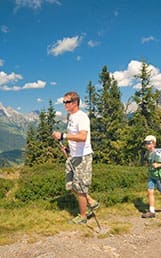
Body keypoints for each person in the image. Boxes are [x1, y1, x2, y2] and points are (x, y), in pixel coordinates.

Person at [52, 91, 99, 225]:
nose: (64, 105)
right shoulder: (71, 117)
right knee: (70, 185)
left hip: (83, 157)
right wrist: (68, 149)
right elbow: (74, 136)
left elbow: (83, 136)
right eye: (64, 102)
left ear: (75, 103)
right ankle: (90, 201)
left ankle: (83, 217)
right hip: (73, 156)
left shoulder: (82, 117)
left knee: (80, 188)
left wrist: (63, 136)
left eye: (66, 102)